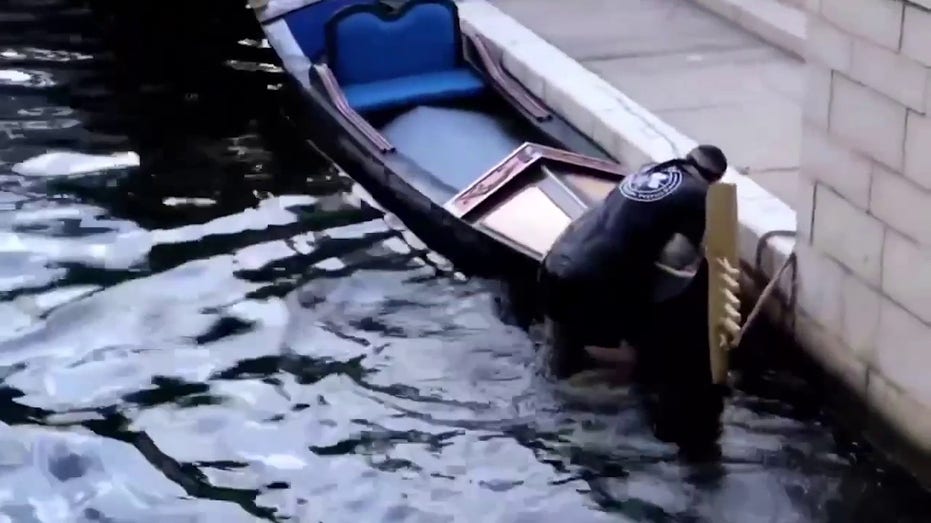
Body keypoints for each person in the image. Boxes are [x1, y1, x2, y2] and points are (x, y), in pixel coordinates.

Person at [538, 144, 729, 380]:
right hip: (595, 280)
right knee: (638, 359)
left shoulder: (648, 170)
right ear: (715, 178)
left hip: (555, 262)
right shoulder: (699, 196)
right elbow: (679, 259)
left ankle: (562, 372)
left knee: (559, 353)